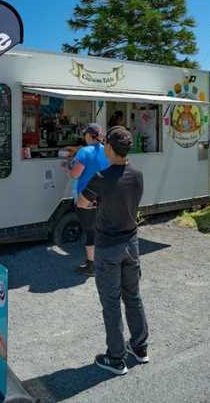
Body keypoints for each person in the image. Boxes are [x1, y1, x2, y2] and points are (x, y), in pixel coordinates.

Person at [81, 126, 148, 376]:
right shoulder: (138, 174)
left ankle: (116, 358)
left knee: (110, 302)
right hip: (132, 243)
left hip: (108, 246)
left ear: (109, 147)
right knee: (133, 296)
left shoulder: (101, 177)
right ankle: (140, 348)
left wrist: (98, 203)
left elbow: (82, 202)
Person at [67, 123, 109, 275]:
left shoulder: (84, 152)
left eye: (85, 134)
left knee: (90, 231)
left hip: (87, 197)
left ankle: (91, 266)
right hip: (105, 196)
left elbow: (75, 174)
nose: (83, 136)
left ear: (89, 136)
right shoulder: (107, 150)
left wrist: (68, 166)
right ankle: (101, 261)